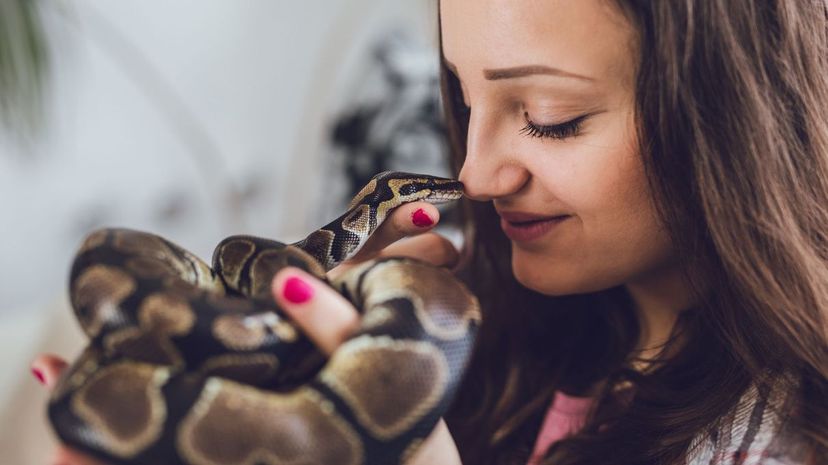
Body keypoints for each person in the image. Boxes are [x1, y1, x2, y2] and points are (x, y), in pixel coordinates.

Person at [32, 0, 828, 464]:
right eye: (462, 98)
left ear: (732, 119)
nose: (474, 174)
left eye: (550, 116)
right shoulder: (504, 317)